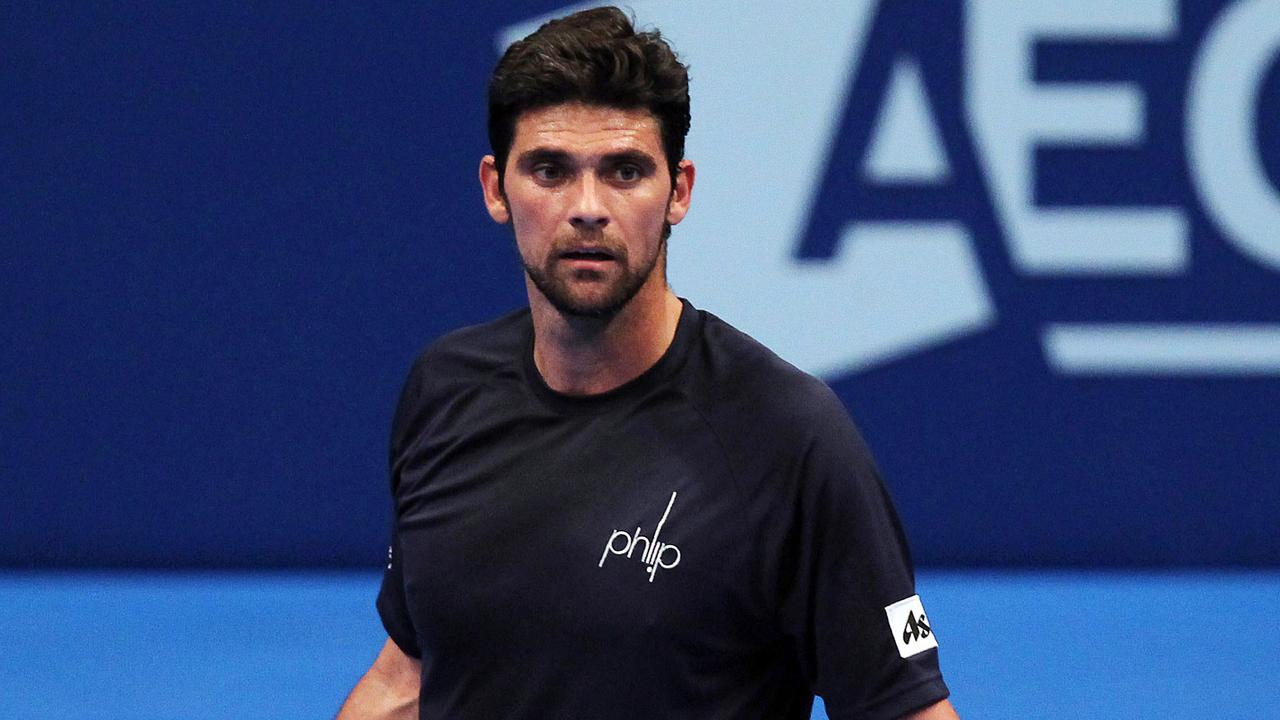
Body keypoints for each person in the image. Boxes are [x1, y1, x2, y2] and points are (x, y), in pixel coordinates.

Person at [338, 7, 957, 719]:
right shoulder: (444, 390)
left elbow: (906, 708)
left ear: (679, 192)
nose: (588, 208)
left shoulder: (790, 436)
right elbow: (408, 676)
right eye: (549, 170)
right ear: (495, 188)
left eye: (625, 171)